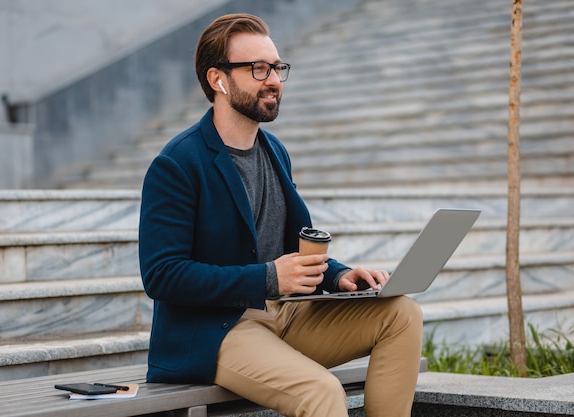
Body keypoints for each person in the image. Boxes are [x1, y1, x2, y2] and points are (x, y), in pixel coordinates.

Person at [139, 13, 423, 417]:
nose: (273, 78)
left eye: (276, 67)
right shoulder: (178, 164)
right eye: (258, 68)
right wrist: (269, 278)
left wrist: (339, 275)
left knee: (401, 313)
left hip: (287, 313)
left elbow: (291, 246)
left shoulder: (274, 152)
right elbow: (162, 275)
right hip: (218, 330)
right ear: (218, 79)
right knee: (321, 391)